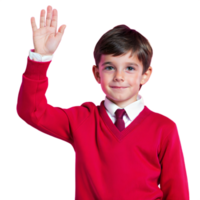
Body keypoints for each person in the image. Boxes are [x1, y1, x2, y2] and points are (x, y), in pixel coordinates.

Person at [15, 4, 192, 200]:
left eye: (130, 68)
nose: (119, 76)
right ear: (96, 73)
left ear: (146, 74)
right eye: (109, 67)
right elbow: (31, 111)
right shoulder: (81, 119)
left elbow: (178, 193)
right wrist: (40, 59)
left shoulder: (165, 128)